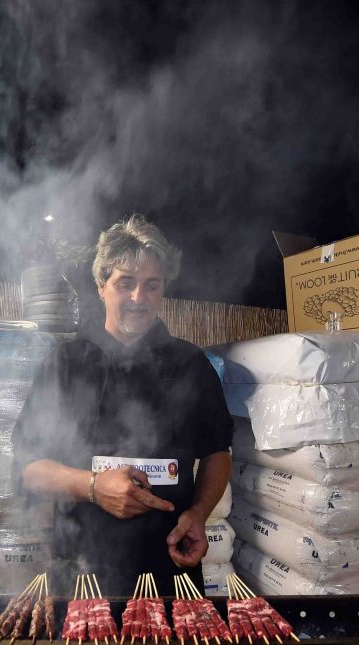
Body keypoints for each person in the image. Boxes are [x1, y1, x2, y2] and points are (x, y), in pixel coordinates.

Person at [12, 214, 233, 597]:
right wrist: (93, 486)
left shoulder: (190, 364)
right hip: (81, 569)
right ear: (101, 286)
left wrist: (198, 514)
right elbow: (27, 467)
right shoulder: (66, 363)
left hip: (171, 566)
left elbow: (217, 452)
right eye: (125, 283)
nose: (138, 298)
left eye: (151, 285)